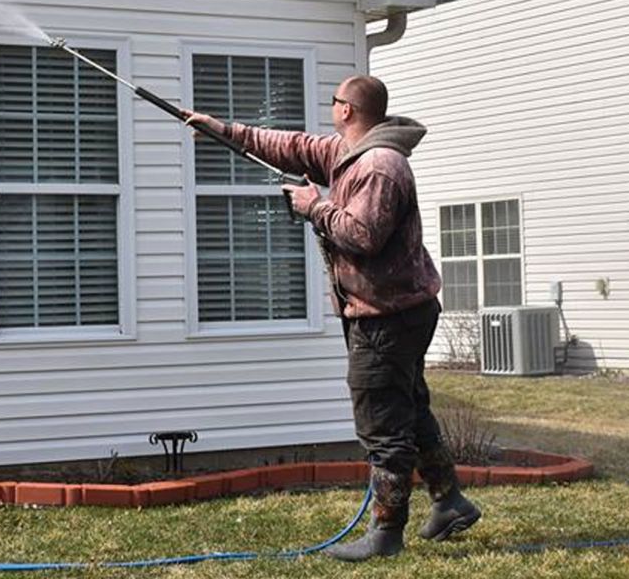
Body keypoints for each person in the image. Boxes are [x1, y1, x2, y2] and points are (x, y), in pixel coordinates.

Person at [183, 75, 481, 562]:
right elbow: (291, 146)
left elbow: (362, 235)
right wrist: (223, 130)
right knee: (408, 406)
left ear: (348, 110)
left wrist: (313, 207)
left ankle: (386, 533)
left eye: (335, 102)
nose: (331, 108)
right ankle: (449, 500)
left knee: (381, 422)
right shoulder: (349, 154)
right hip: (393, 309)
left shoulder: (381, 167)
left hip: (390, 316)